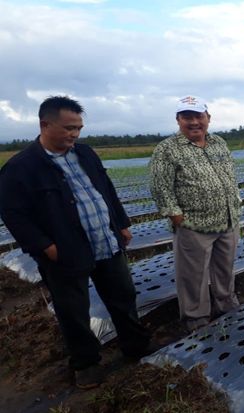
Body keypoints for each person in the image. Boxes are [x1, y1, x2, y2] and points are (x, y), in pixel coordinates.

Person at [0, 96, 151, 389]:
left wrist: (121, 223)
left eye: (79, 128)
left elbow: (105, 187)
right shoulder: (21, 167)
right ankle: (86, 364)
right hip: (64, 253)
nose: (74, 134)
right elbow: (14, 215)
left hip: (106, 241)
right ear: (45, 124)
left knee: (123, 297)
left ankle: (136, 346)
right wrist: (46, 247)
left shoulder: (85, 154)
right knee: (73, 311)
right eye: (69, 128)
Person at [150, 95, 241, 331]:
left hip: (227, 219)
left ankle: (226, 304)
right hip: (194, 224)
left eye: (198, 116)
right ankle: (196, 318)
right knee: (193, 275)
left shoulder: (219, 142)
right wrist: (175, 215)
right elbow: (160, 186)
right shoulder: (167, 149)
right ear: (178, 120)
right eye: (186, 117)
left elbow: (229, 174)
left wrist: (235, 202)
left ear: (207, 118)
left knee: (225, 268)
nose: (193, 122)